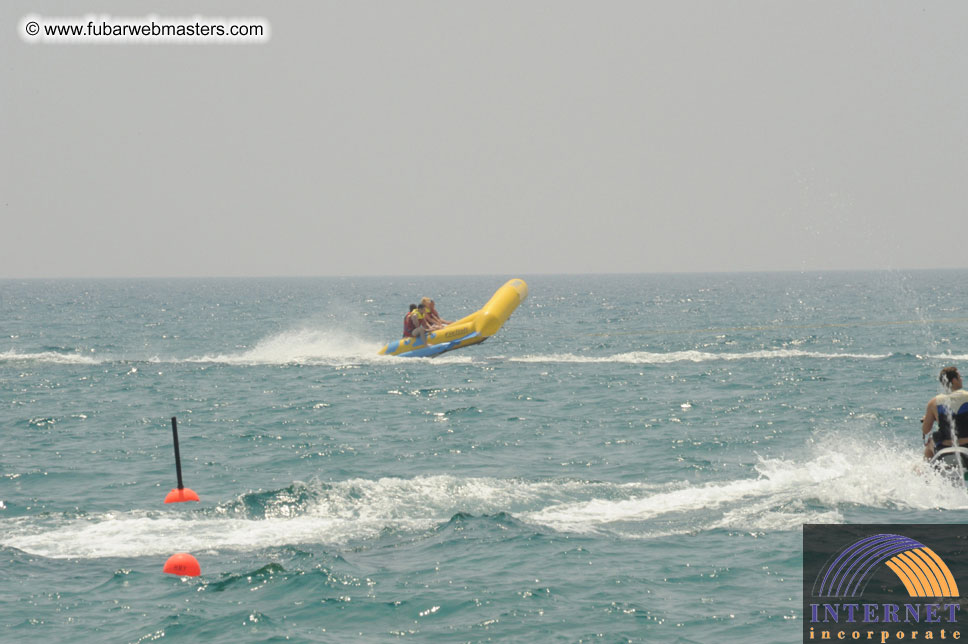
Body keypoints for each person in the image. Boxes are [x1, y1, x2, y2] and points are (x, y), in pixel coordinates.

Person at [921, 366, 968, 463]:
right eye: (960, 377)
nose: (961, 379)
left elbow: (925, 430)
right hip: (966, 445)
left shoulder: (934, 402)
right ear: (954, 380)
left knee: (930, 443)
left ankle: (926, 474)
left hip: (945, 447)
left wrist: (928, 419)